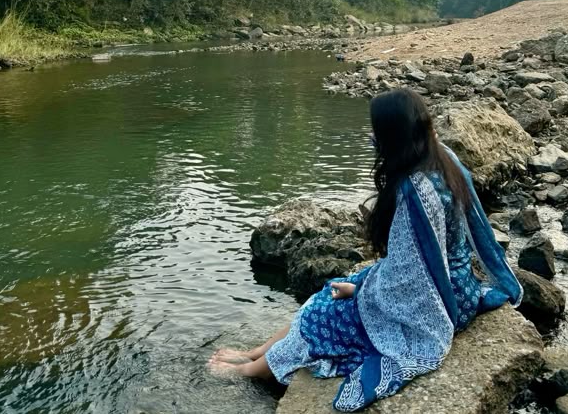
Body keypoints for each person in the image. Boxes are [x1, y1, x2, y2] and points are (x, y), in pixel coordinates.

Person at [208, 88, 522, 412]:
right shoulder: (443, 158)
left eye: (376, 132)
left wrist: (361, 293)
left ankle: (251, 370)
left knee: (320, 318)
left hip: (439, 304)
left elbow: (411, 279)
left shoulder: (415, 191)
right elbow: (416, 262)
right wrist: (360, 287)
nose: (371, 138)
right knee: (331, 293)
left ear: (392, 137)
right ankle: (256, 353)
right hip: (461, 287)